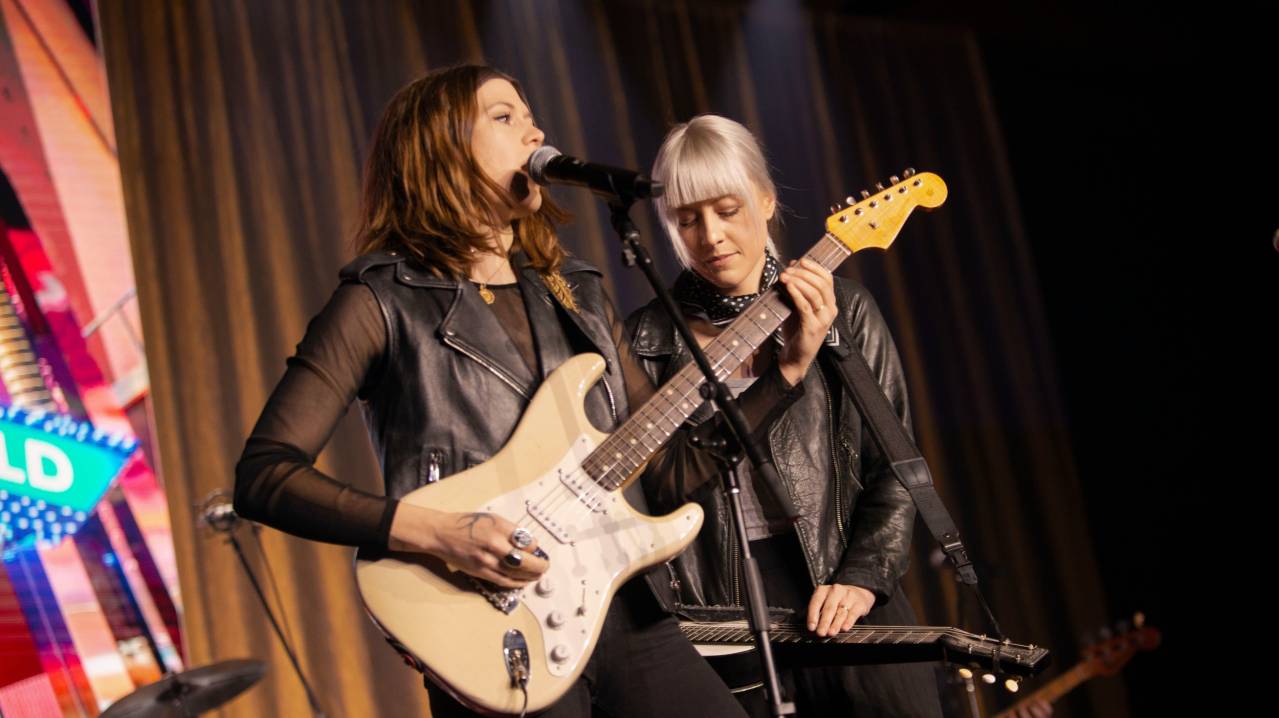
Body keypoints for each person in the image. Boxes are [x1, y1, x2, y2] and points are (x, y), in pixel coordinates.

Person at [233, 64, 835, 718]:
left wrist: (784, 375)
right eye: (504, 117)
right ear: (439, 147)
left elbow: (666, 475)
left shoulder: (573, 291)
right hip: (496, 633)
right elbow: (265, 476)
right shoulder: (379, 302)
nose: (535, 131)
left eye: (529, 116)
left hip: (623, 612)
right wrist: (438, 534)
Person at [625, 114, 945, 717]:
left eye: (726, 209)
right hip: (719, 615)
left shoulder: (845, 311)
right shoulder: (642, 341)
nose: (711, 236)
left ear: (766, 201)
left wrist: (863, 576)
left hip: (845, 592)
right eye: (687, 219)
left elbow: (895, 469)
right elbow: (646, 491)